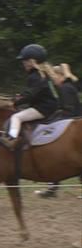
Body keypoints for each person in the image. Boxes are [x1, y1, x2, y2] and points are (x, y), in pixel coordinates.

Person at [0, 43, 59, 151]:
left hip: (43, 108)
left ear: (32, 61)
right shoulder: (44, 74)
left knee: (16, 117)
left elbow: (30, 94)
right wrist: (20, 97)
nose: (23, 63)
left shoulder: (34, 75)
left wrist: (14, 102)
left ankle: (11, 139)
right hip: (50, 105)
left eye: (25, 60)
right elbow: (32, 92)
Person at [36, 63, 79, 198]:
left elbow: (69, 110)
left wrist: (54, 119)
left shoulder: (66, 88)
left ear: (61, 76)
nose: (53, 79)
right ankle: (52, 188)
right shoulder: (66, 86)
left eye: (55, 76)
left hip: (72, 121)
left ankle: (52, 188)